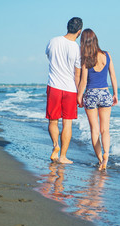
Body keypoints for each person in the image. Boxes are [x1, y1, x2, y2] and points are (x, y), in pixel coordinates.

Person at [77, 28, 118, 170]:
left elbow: (83, 81)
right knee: (105, 130)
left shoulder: (86, 59)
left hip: (91, 94)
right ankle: (106, 154)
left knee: (94, 129)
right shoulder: (106, 55)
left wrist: (79, 97)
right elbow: (113, 76)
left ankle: (100, 159)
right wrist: (115, 94)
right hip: (105, 93)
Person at [45, 17, 83, 164]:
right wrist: (79, 94)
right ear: (79, 31)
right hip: (70, 89)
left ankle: (55, 146)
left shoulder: (53, 41)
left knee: (53, 121)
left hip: (54, 86)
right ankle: (63, 157)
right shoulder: (76, 49)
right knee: (67, 123)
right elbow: (77, 74)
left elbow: (48, 56)